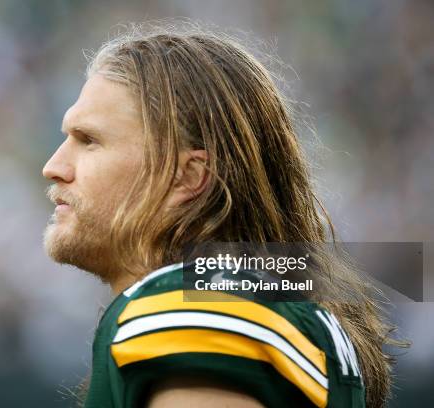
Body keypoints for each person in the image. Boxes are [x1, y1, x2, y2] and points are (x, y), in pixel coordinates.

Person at [42, 21, 394, 407]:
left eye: (89, 140)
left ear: (189, 176)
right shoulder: (265, 305)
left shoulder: (191, 307)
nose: (54, 166)